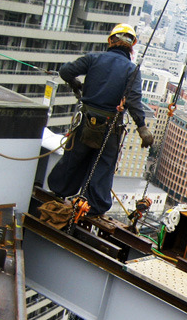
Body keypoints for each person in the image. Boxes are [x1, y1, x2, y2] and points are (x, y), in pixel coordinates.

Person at [47, 23, 153, 217]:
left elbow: (66, 71)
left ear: (111, 41)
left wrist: (75, 83)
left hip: (85, 122)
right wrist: (142, 127)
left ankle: (59, 192)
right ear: (131, 47)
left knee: (74, 158)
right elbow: (133, 100)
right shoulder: (132, 70)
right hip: (110, 127)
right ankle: (92, 208)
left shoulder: (94, 59)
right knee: (102, 166)